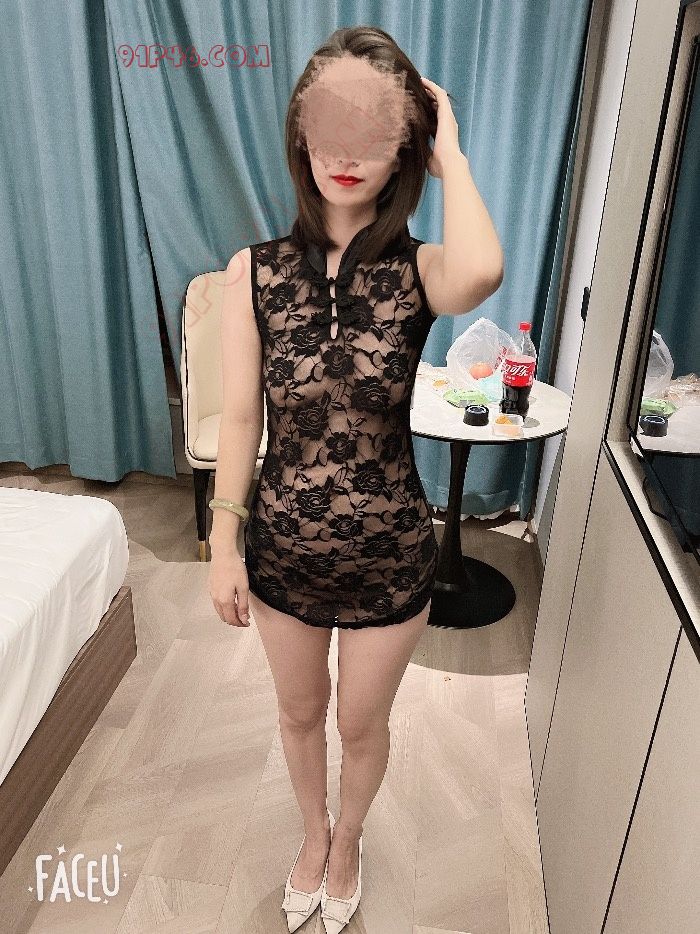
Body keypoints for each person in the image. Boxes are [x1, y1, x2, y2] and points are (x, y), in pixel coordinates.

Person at [208, 25, 503, 934]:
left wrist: (452, 154)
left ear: (404, 149)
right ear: (302, 134)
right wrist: (222, 543)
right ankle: (312, 836)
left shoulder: (421, 271)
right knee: (299, 716)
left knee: (359, 726)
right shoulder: (252, 273)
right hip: (284, 552)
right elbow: (243, 422)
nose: (346, 153)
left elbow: (483, 270)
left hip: (391, 554)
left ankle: (349, 843)